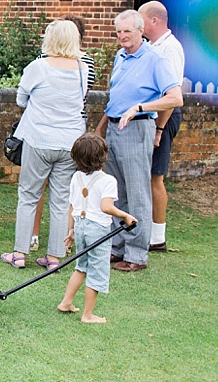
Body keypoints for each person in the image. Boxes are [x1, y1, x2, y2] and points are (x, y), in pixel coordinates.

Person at [94, 10, 183, 272]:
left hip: (137, 127)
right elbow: (116, 99)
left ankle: (136, 255)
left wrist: (140, 106)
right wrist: (100, 129)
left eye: (127, 32)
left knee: (137, 193)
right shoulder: (120, 56)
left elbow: (175, 97)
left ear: (140, 31)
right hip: (114, 128)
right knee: (115, 191)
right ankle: (117, 247)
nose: (122, 37)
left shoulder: (156, 58)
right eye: (119, 32)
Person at [1, 19, 88, 270]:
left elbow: (21, 100)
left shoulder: (38, 67)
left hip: (39, 139)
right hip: (70, 141)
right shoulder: (82, 69)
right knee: (61, 200)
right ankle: (54, 257)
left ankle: (19, 253)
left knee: (29, 195)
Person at [31, 14, 96, 252]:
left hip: (43, 130)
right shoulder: (86, 63)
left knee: (37, 186)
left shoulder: (42, 61)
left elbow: (29, 95)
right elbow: (83, 96)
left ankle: (33, 236)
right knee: (66, 190)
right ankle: (62, 243)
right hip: (73, 130)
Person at [57, 133, 138, 323]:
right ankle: (88, 314)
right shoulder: (108, 180)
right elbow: (106, 207)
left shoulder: (76, 177)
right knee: (97, 269)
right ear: (104, 156)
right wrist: (125, 215)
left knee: (82, 266)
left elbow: (72, 206)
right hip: (97, 229)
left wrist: (71, 230)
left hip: (81, 225)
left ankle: (66, 302)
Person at [139, 1, 185, 252]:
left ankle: (157, 236)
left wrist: (159, 128)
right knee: (146, 175)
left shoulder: (170, 48)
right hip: (153, 116)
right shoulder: (152, 46)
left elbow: (172, 93)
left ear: (154, 21)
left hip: (163, 117)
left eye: (141, 19)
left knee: (155, 176)